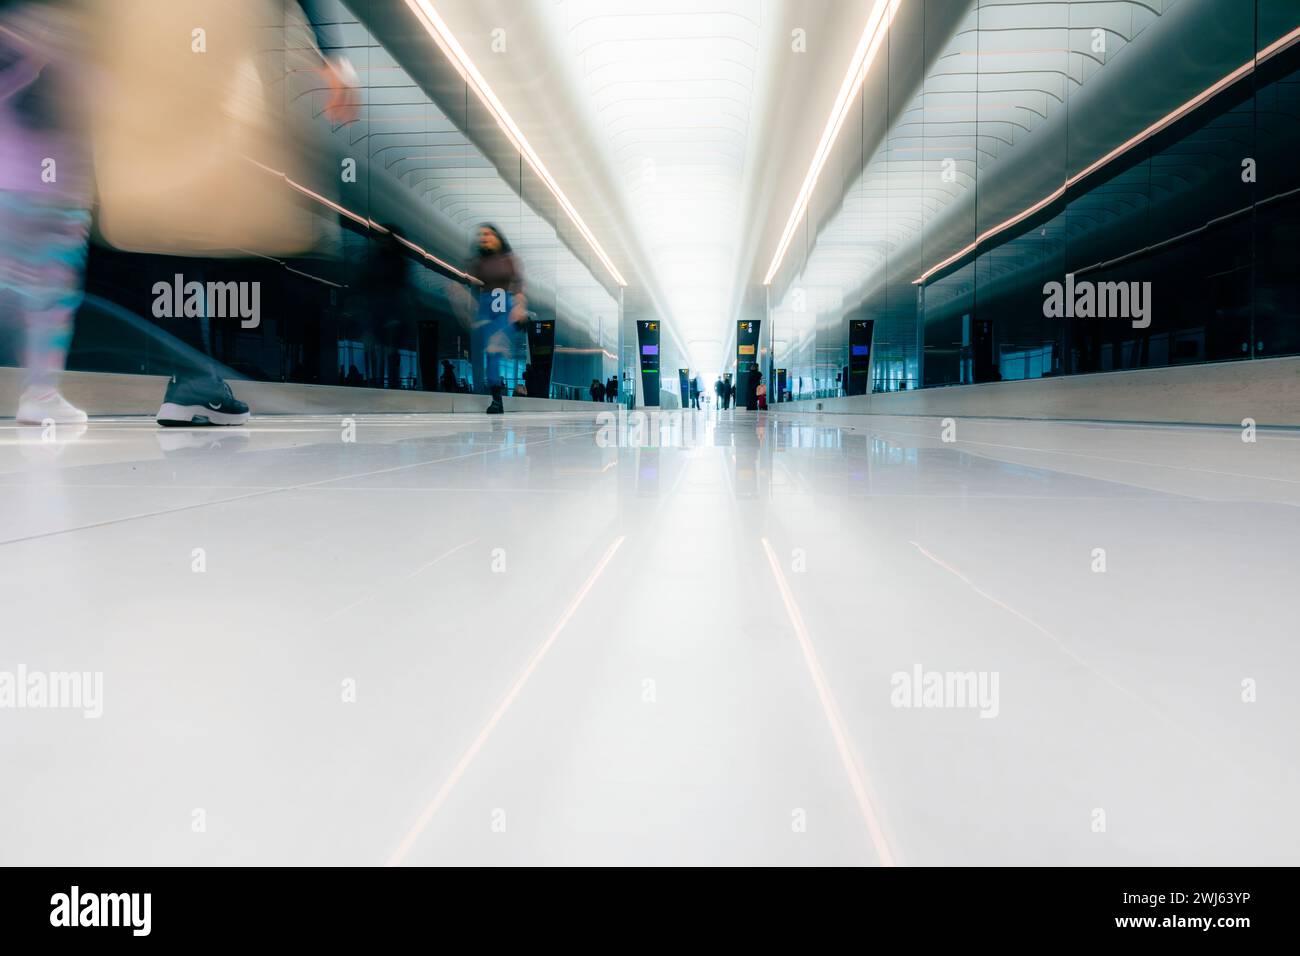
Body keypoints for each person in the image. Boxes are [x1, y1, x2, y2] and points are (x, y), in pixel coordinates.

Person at [0, 0, 93, 424]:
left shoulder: (14, 28)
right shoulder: (80, 33)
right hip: (57, 192)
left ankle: (41, 394)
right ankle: (40, 393)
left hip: (11, 183)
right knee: (49, 300)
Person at [467, 224, 526, 415]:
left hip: (505, 307)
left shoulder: (509, 260)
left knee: (494, 345)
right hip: (487, 309)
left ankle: (504, 342)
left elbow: (518, 285)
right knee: (491, 355)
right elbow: (475, 288)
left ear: (498, 237)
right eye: (481, 235)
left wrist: (519, 305)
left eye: (488, 234)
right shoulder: (478, 263)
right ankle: (496, 400)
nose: (484, 238)